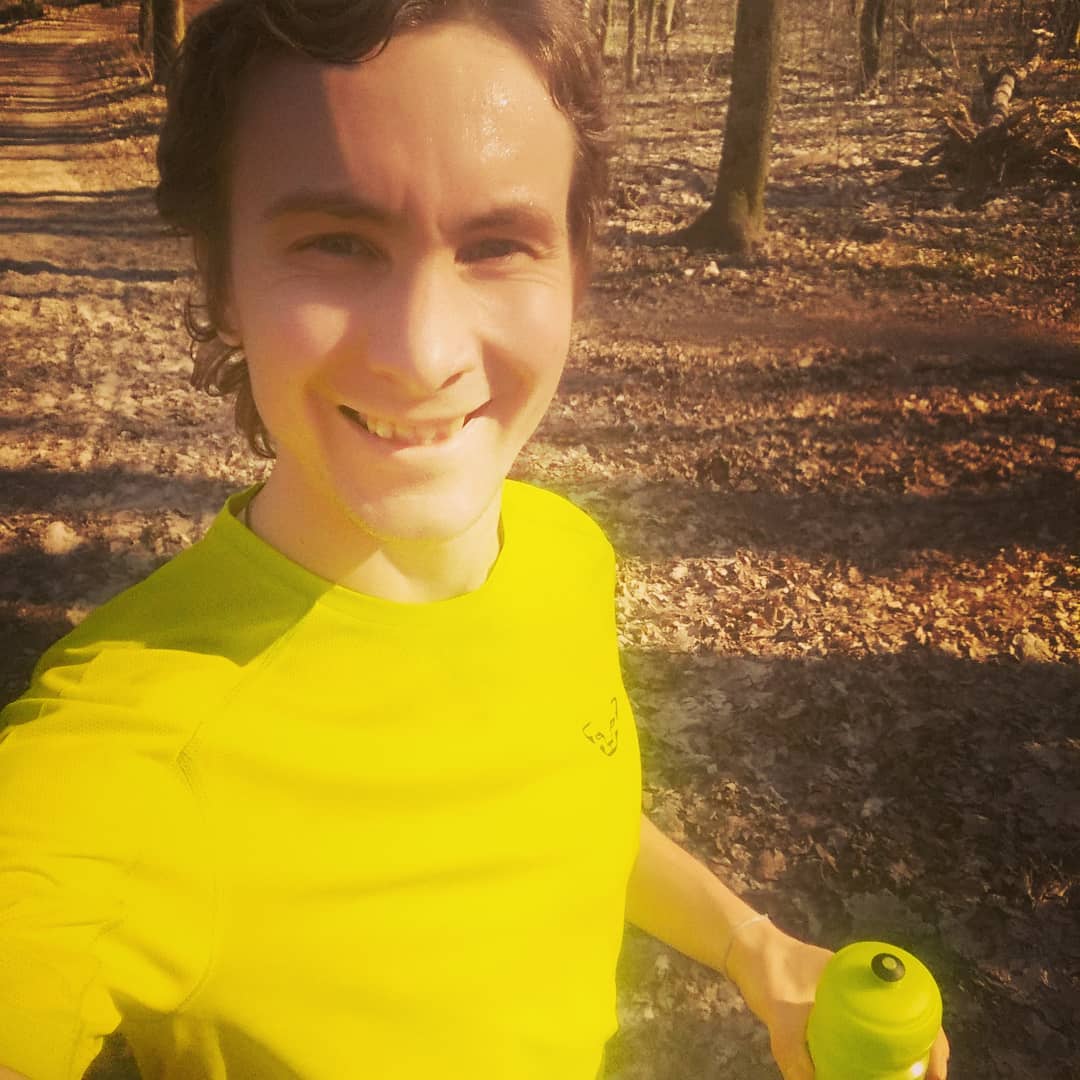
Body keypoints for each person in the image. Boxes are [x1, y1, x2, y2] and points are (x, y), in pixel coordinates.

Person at [0, 1, 949, 1078]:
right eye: (337, 243)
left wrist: (753, 948)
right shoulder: (111, 763)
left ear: (577, 275)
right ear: (223, 284)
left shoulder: (563, 552)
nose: (424, 352)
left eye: (497, 246)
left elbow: (562, 809)